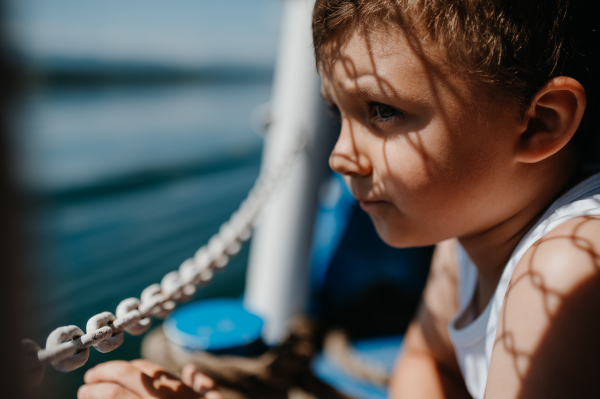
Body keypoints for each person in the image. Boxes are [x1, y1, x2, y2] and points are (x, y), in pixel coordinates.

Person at [78, 0, 600, 398]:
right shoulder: (470, 232)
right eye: (337, 113)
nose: (339, 157)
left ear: (538, 124)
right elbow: (427, 359)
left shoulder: (567, 271)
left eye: (381, 111)